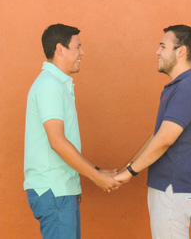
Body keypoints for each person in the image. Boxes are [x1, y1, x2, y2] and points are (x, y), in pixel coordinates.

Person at [24, 23, 120, 238]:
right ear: (60, 49)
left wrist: (95, 169)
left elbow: (64, 142)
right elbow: (57, 142)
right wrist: (95, 177)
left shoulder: (57, 84)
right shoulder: (50, 85)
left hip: (60, 191)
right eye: (77, 47)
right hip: (54, 191)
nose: (82, 52)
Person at [114, 25, 191, 239]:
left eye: (163, 46)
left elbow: (165, 139)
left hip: (172, 191)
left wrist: (129, 173)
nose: (158, 51)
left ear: (181, 51)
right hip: (170, 191)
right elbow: (158, 135)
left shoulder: (186, 88)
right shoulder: (179, 87)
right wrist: (127, 168)